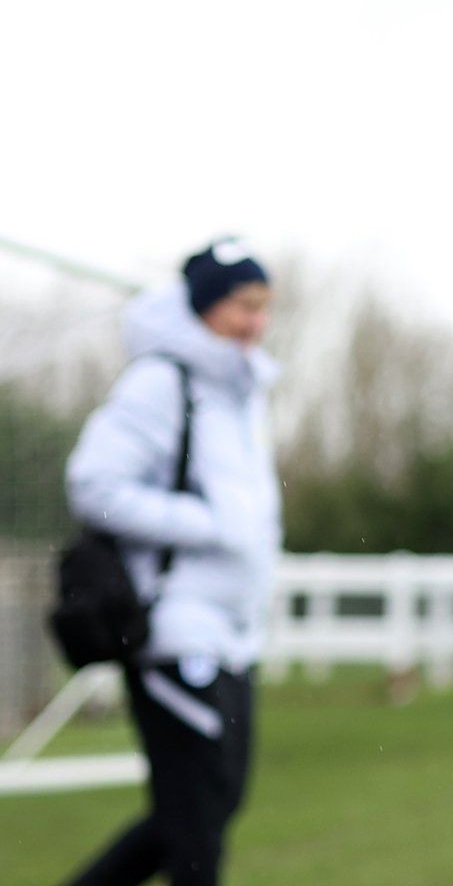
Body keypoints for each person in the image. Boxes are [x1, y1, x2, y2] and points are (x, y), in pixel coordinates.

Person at [59, 240, 280, 886]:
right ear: (206, 305)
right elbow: (92, 484)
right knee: (195, 830)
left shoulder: (242, 391)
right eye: (243, 306)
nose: (256, 322)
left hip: (232, 636)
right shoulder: (161, 382)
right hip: (172, 632)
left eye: (264, 308)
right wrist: (209, 523)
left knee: (204, 809)